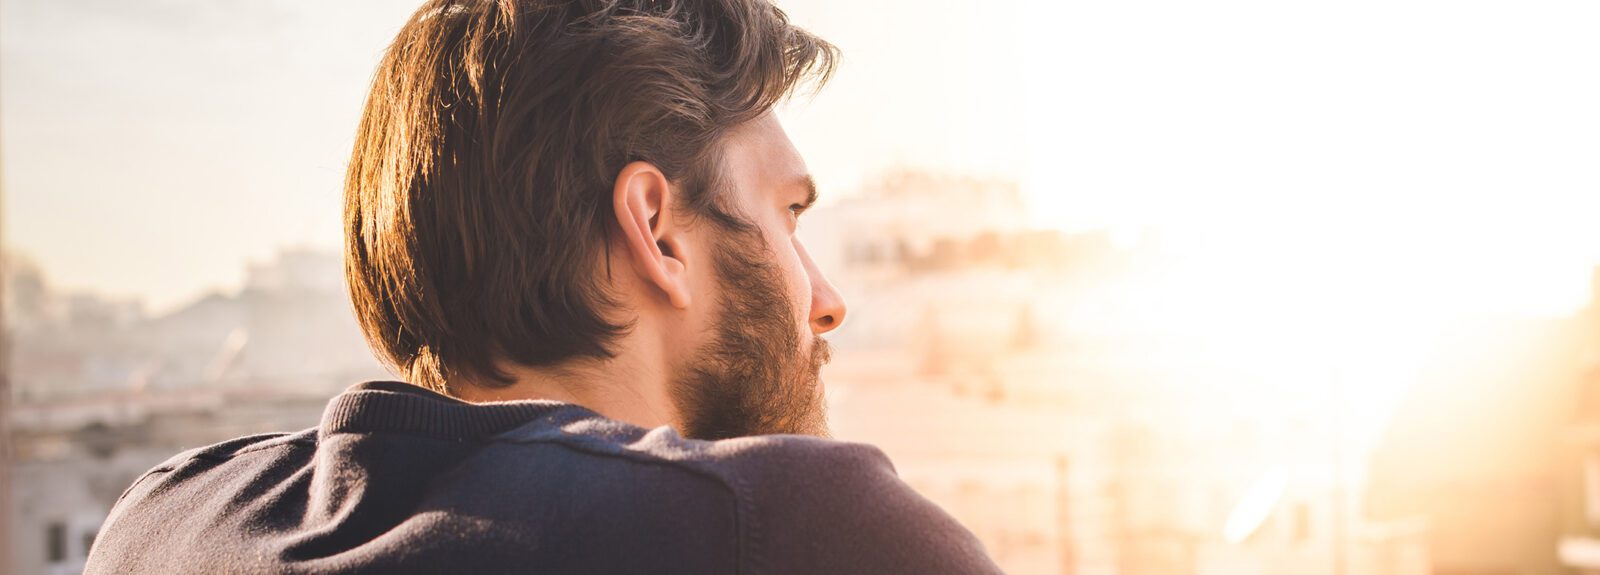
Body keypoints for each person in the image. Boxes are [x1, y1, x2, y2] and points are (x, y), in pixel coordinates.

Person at [85, 0, 1002, 573]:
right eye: (787, 216)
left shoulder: (166, 522)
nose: (826, 296)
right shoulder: (785, 529)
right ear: (656, 230)